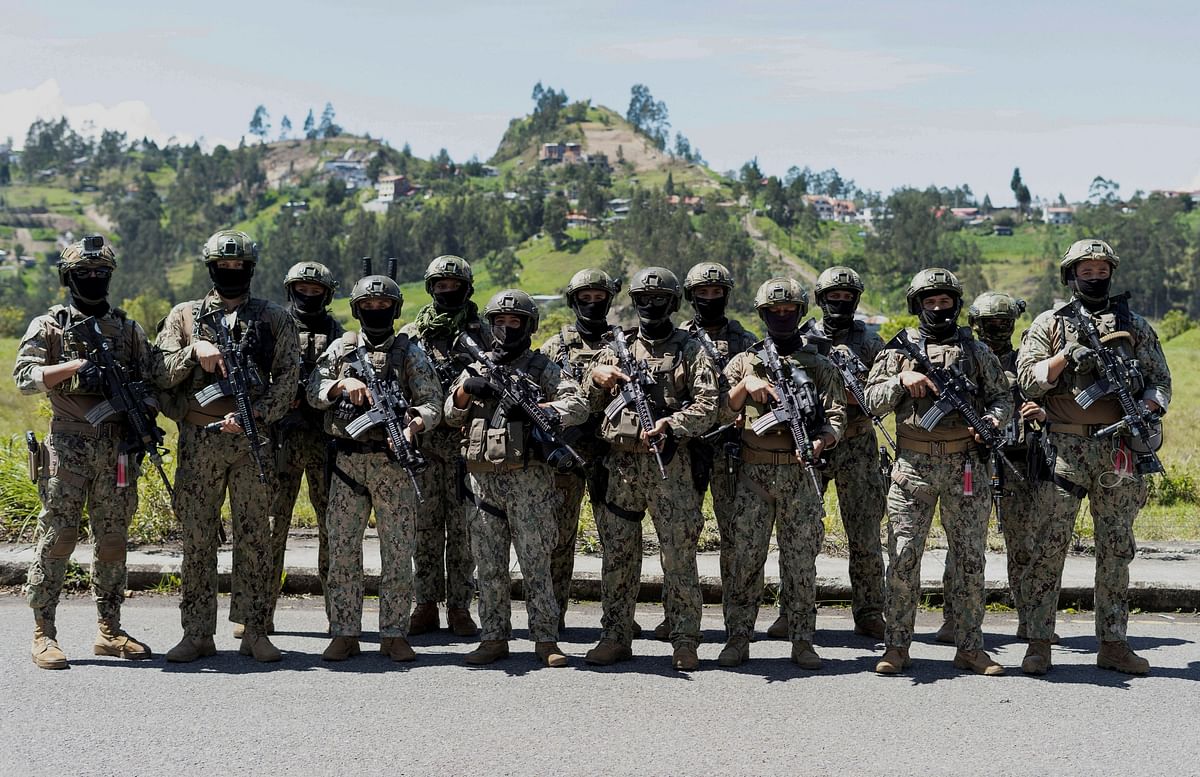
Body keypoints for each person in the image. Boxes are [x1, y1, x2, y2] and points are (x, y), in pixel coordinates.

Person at [1017, 239, 1171, 675]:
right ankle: (1039, 642)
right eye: (1086, 270)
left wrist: (1148, 406)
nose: (1095, 276)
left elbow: (1161, 380)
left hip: (1118, 450)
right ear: (1071, 275)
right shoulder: (1049, 323)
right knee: (1048, 547)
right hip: (1062, 450)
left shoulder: (1134, 325)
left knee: (1116, 549)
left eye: (1102, 270)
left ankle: (1114, 643)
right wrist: (1066, 357)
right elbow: (1028, 381)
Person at [155, 229, 299, 663]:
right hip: (200, 443)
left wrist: (257, 415)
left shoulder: (274, 318)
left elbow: (289, 377)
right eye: (223, 267)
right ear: (210, 269)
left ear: (251, 270)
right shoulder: (184, 316)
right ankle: (197, 633)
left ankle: (255, 630)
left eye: (239, 268)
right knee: (197, 541)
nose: (231, 273)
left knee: (255, 538)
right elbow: (159, 373)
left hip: (252, 442)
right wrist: (193, 350)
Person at [14, 235, 155, 669]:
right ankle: (44, 633)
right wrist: (75, 367)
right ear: (68, 277)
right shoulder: (51, 324)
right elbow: (25, 376)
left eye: (100, 273)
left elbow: (151, 383)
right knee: (58, 539)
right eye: (83, 274)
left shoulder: (127, 328)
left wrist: (140, 422)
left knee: (112, 541)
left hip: (115, 451)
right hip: (68, 448)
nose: (92, 279)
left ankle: (109, 631)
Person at [865, 268, 1012, 676]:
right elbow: (870, 401)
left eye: (944, 301)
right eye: (929, 301)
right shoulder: (897, 352)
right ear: (917, 306)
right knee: (904, 556)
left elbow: (1002, 397)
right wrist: (900, 380)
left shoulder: (976, 351)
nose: (937, 308)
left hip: (966, 466)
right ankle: (897, 646)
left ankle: (970, 647)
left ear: (956, 304)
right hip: (913, 468)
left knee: (969, 559)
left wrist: (994, 422)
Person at [579, 267, 719, 671]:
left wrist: (672, 425)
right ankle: (615, 636)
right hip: (620, 466)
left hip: (669, 467)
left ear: (674, 304)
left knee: (678, 558)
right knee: (618, 556)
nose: (651, 306)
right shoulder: (614, 348)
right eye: (643, 300)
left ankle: (684, 639)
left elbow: (709, 404)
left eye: (660, 300)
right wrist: (595, 377)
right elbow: (582, 405)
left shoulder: (691, 349)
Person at [444, 289, 589, 667]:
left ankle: (545, 640)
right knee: (488, 564)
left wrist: (542, 409)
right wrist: (464, 391)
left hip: (529, 482)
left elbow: (578, 404)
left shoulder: (542, 368)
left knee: (535, 563)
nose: (507, 329)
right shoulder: (476, 367)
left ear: (529, 326)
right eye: (500, 322)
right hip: (483, 481)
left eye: (515, 322)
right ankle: (493, 637)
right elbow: (450, 415)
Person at [309, 264, 442, 662]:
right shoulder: (341, 349)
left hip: (393, 465)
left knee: (399, 551)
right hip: (348, 465)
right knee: (343, 549)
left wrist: (416, 421)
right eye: (368, 303)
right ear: (356, 308)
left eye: (384, 303)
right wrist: (340, 384)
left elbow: (434, 401)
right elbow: (314, 392)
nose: (376, 309)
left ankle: (394, 631)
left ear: (396, 308)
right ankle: (345, 631)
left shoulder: (410, 352)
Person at [718, 278, 846, 668]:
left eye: (790, 311)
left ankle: (802, 640)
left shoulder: (820, 365)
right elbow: (718, 410)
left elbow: (837, 417)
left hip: (799, 474)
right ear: (762, 315)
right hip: (753, 475)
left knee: (801, 561)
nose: (782, 316)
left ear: (800, 314)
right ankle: (738, 638)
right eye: (774, 312)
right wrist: (746, 386)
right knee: (744, 560)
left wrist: (823, 440)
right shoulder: (744, 362)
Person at [935, 292, 1052, 647]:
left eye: (1003, 324)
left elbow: (1051, 401)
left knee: (1025, 544)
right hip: (973, 461)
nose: (996, 330)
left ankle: (1030, 618)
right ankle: (954, 618)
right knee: (964, 546)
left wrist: (1038, 412)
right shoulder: (965, 360)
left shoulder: (1025, 363)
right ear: (975, 324)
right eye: (989, 324)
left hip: (1018, 461)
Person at [232, 261, 343, 637]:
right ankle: (257, 616)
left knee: (332, 528)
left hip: (323, 440)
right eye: (302, 289)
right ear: (289, 290)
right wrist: (280, 397)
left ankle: (338, 614)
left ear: (327, 294)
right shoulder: (270, 328)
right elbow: (250, 374)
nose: (308, 296)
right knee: (270, 528)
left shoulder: (338, 335)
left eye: (315, 291)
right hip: (278, 440)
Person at [778, 266, 887, 641]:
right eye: (833, 298)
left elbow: (885, 396)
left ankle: (871, 611)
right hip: (812, 442)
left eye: (847, 299)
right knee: (800, 531)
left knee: (865, 532)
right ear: (820, 300)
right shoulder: (801, 338)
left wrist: (858, 395)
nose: (840, 304)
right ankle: (791, 610)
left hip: (857, 442)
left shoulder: (872, 343)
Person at [400, 256, 489, 638]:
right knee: (425, 529)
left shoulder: (484, 334)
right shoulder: (411, 334)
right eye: (440, 285)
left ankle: (459, 607)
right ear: (430, 288)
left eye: (454, 285)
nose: (446, 290)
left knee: (465, 531)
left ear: (467, 288)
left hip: (469, 445)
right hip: (423, 444)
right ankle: (424, 604)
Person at [673, 261, 757, 642]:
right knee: (680, 534)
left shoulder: (746, 341)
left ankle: (734, 622)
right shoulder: (675, 340)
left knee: (735, 538)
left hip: (730, 450)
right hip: (686, 448)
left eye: (716, 293)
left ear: (727, 295)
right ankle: (677, 617)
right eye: (702, 293)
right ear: (691, 297)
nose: (710, 299)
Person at [539, 268, 620, 631]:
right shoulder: (554, 347)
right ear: (573, 302)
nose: (592, 304)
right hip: (565, 455)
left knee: (617, 540)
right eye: (584, 298)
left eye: (598, 298)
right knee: (558, 538)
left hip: (612, 453)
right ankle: (552, 616)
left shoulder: (623, 344)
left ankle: (618, 618)